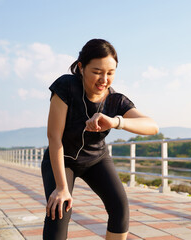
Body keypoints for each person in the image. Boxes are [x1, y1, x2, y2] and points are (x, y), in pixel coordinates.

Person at [41, 39, 159, 240]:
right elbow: (54, 137)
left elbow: (152, 126)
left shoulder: (115, 100)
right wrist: (61, 188)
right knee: (59, 210)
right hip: (62, 159)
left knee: (120, 208)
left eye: (110, 73)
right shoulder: (66, 87)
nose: (104, 79)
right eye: (97, 71)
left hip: (96, 159)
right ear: (81, 67)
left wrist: (115, 122)